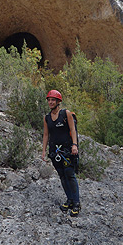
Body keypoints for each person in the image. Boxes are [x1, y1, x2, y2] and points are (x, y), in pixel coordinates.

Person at [42, 89, 81, 217]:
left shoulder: (66, 114)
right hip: (55, 152)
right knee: (62, 176)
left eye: (53, 100)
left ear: (58, 101)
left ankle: (76, 203)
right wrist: (44, 151)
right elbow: (46, 135)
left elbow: (72, 130)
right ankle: (69, 200)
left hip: (67, 150)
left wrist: (74, 145)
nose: (50, 102)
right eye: (49, 100)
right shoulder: (47, 118)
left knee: (70, 175)